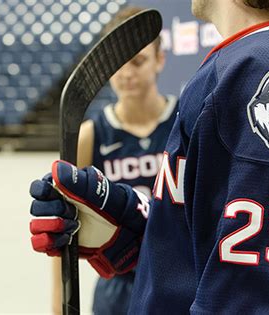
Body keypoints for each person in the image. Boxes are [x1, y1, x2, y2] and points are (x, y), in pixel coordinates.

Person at [30, 0, 269, 313]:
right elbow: (217, 244)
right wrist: (123, 225)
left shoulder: (264, 69)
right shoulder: (259, 61)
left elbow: (264, 290)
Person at [49, 6, 177, 314]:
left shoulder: (183, 123)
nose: (127, 73)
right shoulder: (90, 135)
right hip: (117, 288)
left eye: (138, 61)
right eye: (119, 64)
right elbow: (63, 231)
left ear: (160, 60)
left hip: (175, 280)